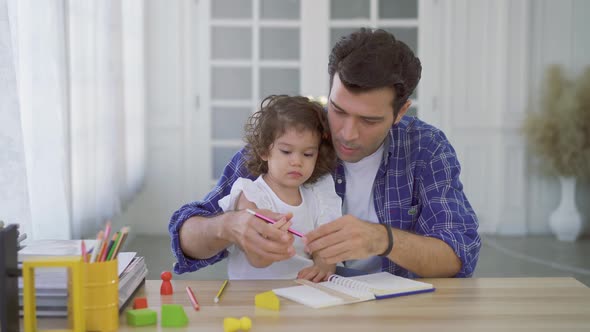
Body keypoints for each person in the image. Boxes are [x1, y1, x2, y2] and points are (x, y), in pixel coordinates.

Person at [169, 28, 481, 279]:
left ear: (400, 112)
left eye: (369, 120)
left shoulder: (426, 147)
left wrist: (382, 239)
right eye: (338, 109)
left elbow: (458, 253)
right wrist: (228, 226)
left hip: (393, 314)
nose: (346, 133)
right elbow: (187, 239)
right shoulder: (291, 133)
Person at [216, 95, 341, 281]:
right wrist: (272, 240)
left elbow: (327, 247)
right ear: (265, 151)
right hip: (252, 295)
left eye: (307, 154)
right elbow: (257, 259)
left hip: (303, 292)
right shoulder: (251, 194)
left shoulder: (318, 195)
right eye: (286, 151)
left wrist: (323, 267)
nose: (297, 161)